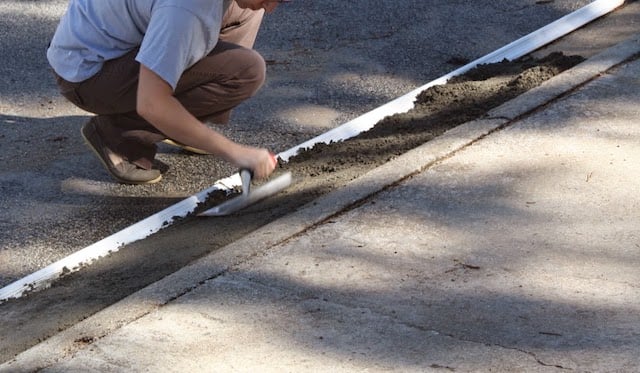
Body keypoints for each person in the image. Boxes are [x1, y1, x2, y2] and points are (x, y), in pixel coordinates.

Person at [47, 0, 284, 184]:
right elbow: (152, 103)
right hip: (89, 74)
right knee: (246, 71)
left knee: (248, 10)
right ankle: (117, 136)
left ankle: (187, 125)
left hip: (112, 43)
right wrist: (236, 152)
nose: (273, 7)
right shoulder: (189, 9)